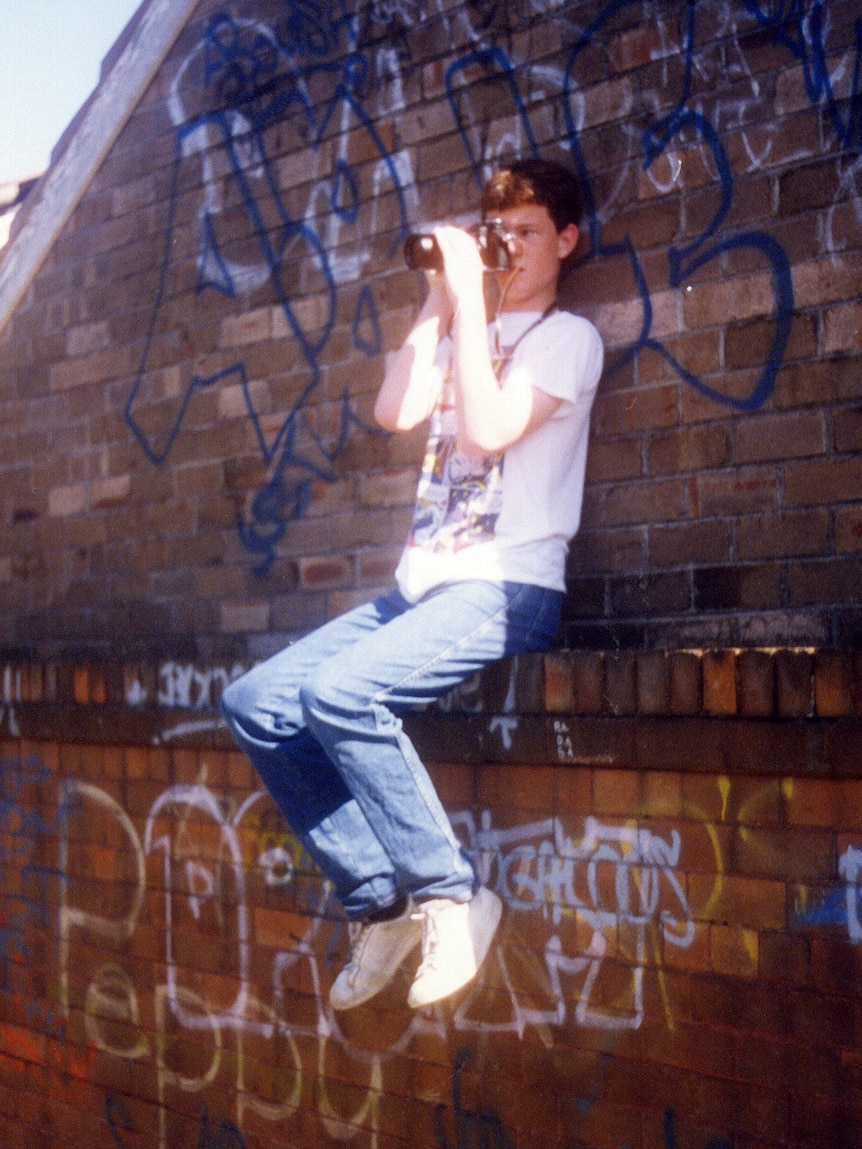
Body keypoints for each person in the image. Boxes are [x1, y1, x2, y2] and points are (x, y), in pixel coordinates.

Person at [220, 157, 604, 1012]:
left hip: (509, 587)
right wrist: (439, 298)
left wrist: (475, 303)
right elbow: (394, 410)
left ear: (567, 240)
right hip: (423, 587)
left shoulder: (568, 340)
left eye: (529, 232)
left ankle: (451, 896)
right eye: (496, 232)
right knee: (257, 701)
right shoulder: (464, 322)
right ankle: (379, 903)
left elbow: (490, 425)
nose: (508, 246)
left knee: (340, 693)